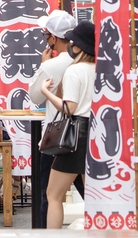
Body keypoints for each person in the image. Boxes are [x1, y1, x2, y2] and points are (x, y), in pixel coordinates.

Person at [40, 21, 96, 230]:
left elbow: (69, 108)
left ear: (80, 46)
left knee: (54, 195)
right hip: (95, 133)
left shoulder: (75, 71)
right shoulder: (100, 70)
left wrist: (46, 92)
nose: (70, 44)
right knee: (93, 196)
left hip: (76, 134)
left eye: (73, 41)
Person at [28, 10, 79, 227]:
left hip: (57, 138)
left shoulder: (51, 65)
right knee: (91, 192)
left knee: (49, 195)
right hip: (85, 134)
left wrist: (44, 64)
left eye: (45, 34)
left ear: (54, 38)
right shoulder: (86, 62)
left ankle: (45, 232)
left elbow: (35, 96)